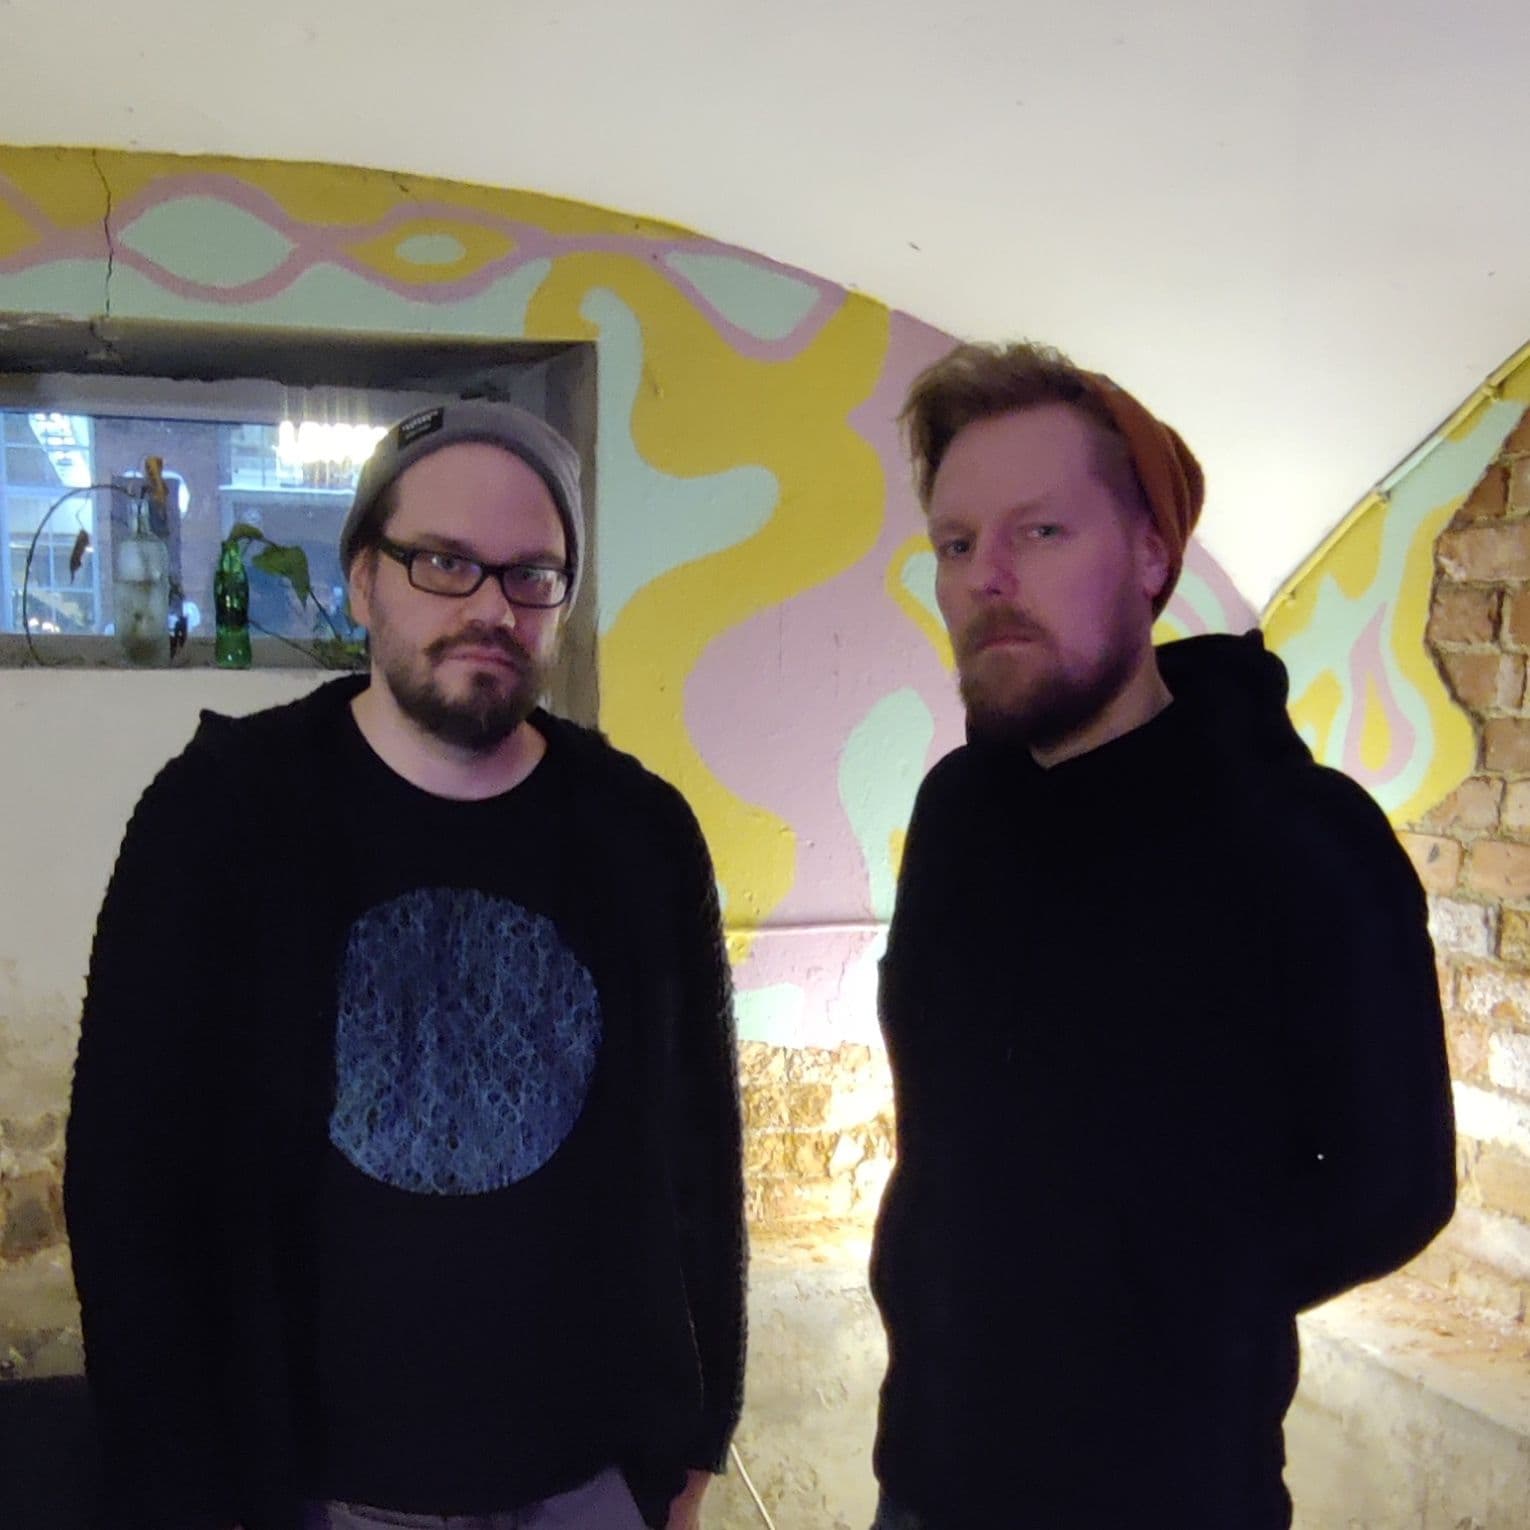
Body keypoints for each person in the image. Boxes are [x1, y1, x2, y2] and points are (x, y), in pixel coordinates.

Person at [66, 400, 746, 1530]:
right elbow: (125, 1178)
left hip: (586, 1478)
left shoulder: (640, 832)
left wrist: (699, 1432)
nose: (490, 606)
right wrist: (172, 1476)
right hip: (310, 1484)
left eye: (532, 574)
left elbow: (701, 1149)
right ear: (362, 579)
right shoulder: (223, 816)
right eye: (444, 562)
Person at [868, 343, 1456, 1529]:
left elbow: (1397, 1186)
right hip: (927, 1482)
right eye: (956, 543)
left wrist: (1158, 1303)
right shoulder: (957, 810)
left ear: (1149, 556)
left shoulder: (1301, 838)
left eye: (1040, 532)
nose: (987, 577)